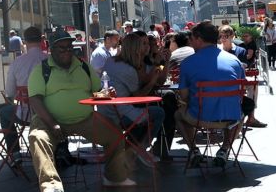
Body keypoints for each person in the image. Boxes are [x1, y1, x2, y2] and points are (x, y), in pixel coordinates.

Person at [28, 29, 135, 190]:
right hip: (49, 120)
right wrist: (52, 123)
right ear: (51, 49)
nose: (66, 51)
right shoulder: (42, 69)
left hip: (84, 119)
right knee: (38, 137)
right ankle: (51, 185)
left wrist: (105, 93)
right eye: (61, 48)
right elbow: (35, 99)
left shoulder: (83, 66)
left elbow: (97, 90)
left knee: (115, 135)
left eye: (69, 48)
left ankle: (114, 176)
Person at [175, 21, 246, 168]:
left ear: (199, 39)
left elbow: (184, 97)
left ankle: (194, 150)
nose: (191, 43)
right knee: (241, 113)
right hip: (231, 118)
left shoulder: (188, 63)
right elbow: (241, 91)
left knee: (178, 115)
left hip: (200, 118)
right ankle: (225, 149)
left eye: (192, 39)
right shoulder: (235, 61)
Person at [101, 32, 166, 167]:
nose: (145, 48)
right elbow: (139, 97)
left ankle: (133, 147)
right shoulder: (129, 69)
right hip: (119, 114)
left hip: (104, 112)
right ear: (136, 49)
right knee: (158, 113)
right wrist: (153, 80)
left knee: (147, 112)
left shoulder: (110, 61)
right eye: (143, 45)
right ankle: (139, 148)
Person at [0, 26, 47, 163]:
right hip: (49, 112)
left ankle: (15, 153)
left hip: (25, 114)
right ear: (41, 40)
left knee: (4, 113)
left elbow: (10, 92)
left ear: (25, 42)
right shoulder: (50, 60)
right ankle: (62, 150)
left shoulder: (17, 62)